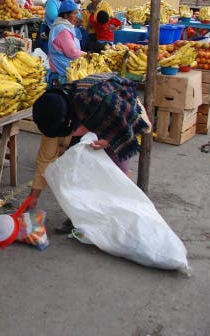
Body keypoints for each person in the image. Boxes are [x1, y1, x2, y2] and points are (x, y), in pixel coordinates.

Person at [27, 73, 151, 232]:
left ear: (71, 121)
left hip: (115, 128)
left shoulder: (106, 102)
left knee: (116, 176)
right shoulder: (53, 114)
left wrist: (109, 140)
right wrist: (33, 197)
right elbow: (45, 160)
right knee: (74, 170)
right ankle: (78, 216)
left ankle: (120, 219)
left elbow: (145, 126)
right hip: (90, 131)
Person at [47, 0, 84, 86]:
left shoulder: (64, 26)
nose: (77, 16)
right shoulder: (62, 30)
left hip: (62, 65)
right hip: (62, 68)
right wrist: (87, 55)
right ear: (66, 16)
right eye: (75, 13)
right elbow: (71, 52)